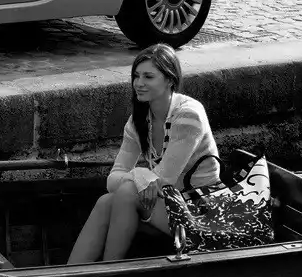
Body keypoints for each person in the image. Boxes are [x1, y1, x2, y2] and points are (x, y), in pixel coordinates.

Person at [67, 44, 220, 263]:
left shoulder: (188, 116)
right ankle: (71, 275)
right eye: (136, 76)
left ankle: (111, 273)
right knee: (106, 201)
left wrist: (139, 177)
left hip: (202, 210)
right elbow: (113, 179)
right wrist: (141, 176)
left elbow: (163, 181)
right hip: (168, 203)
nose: (139, 83)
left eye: (148, 76)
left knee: (129, 192)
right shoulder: (138, 121)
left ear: (169, 80)